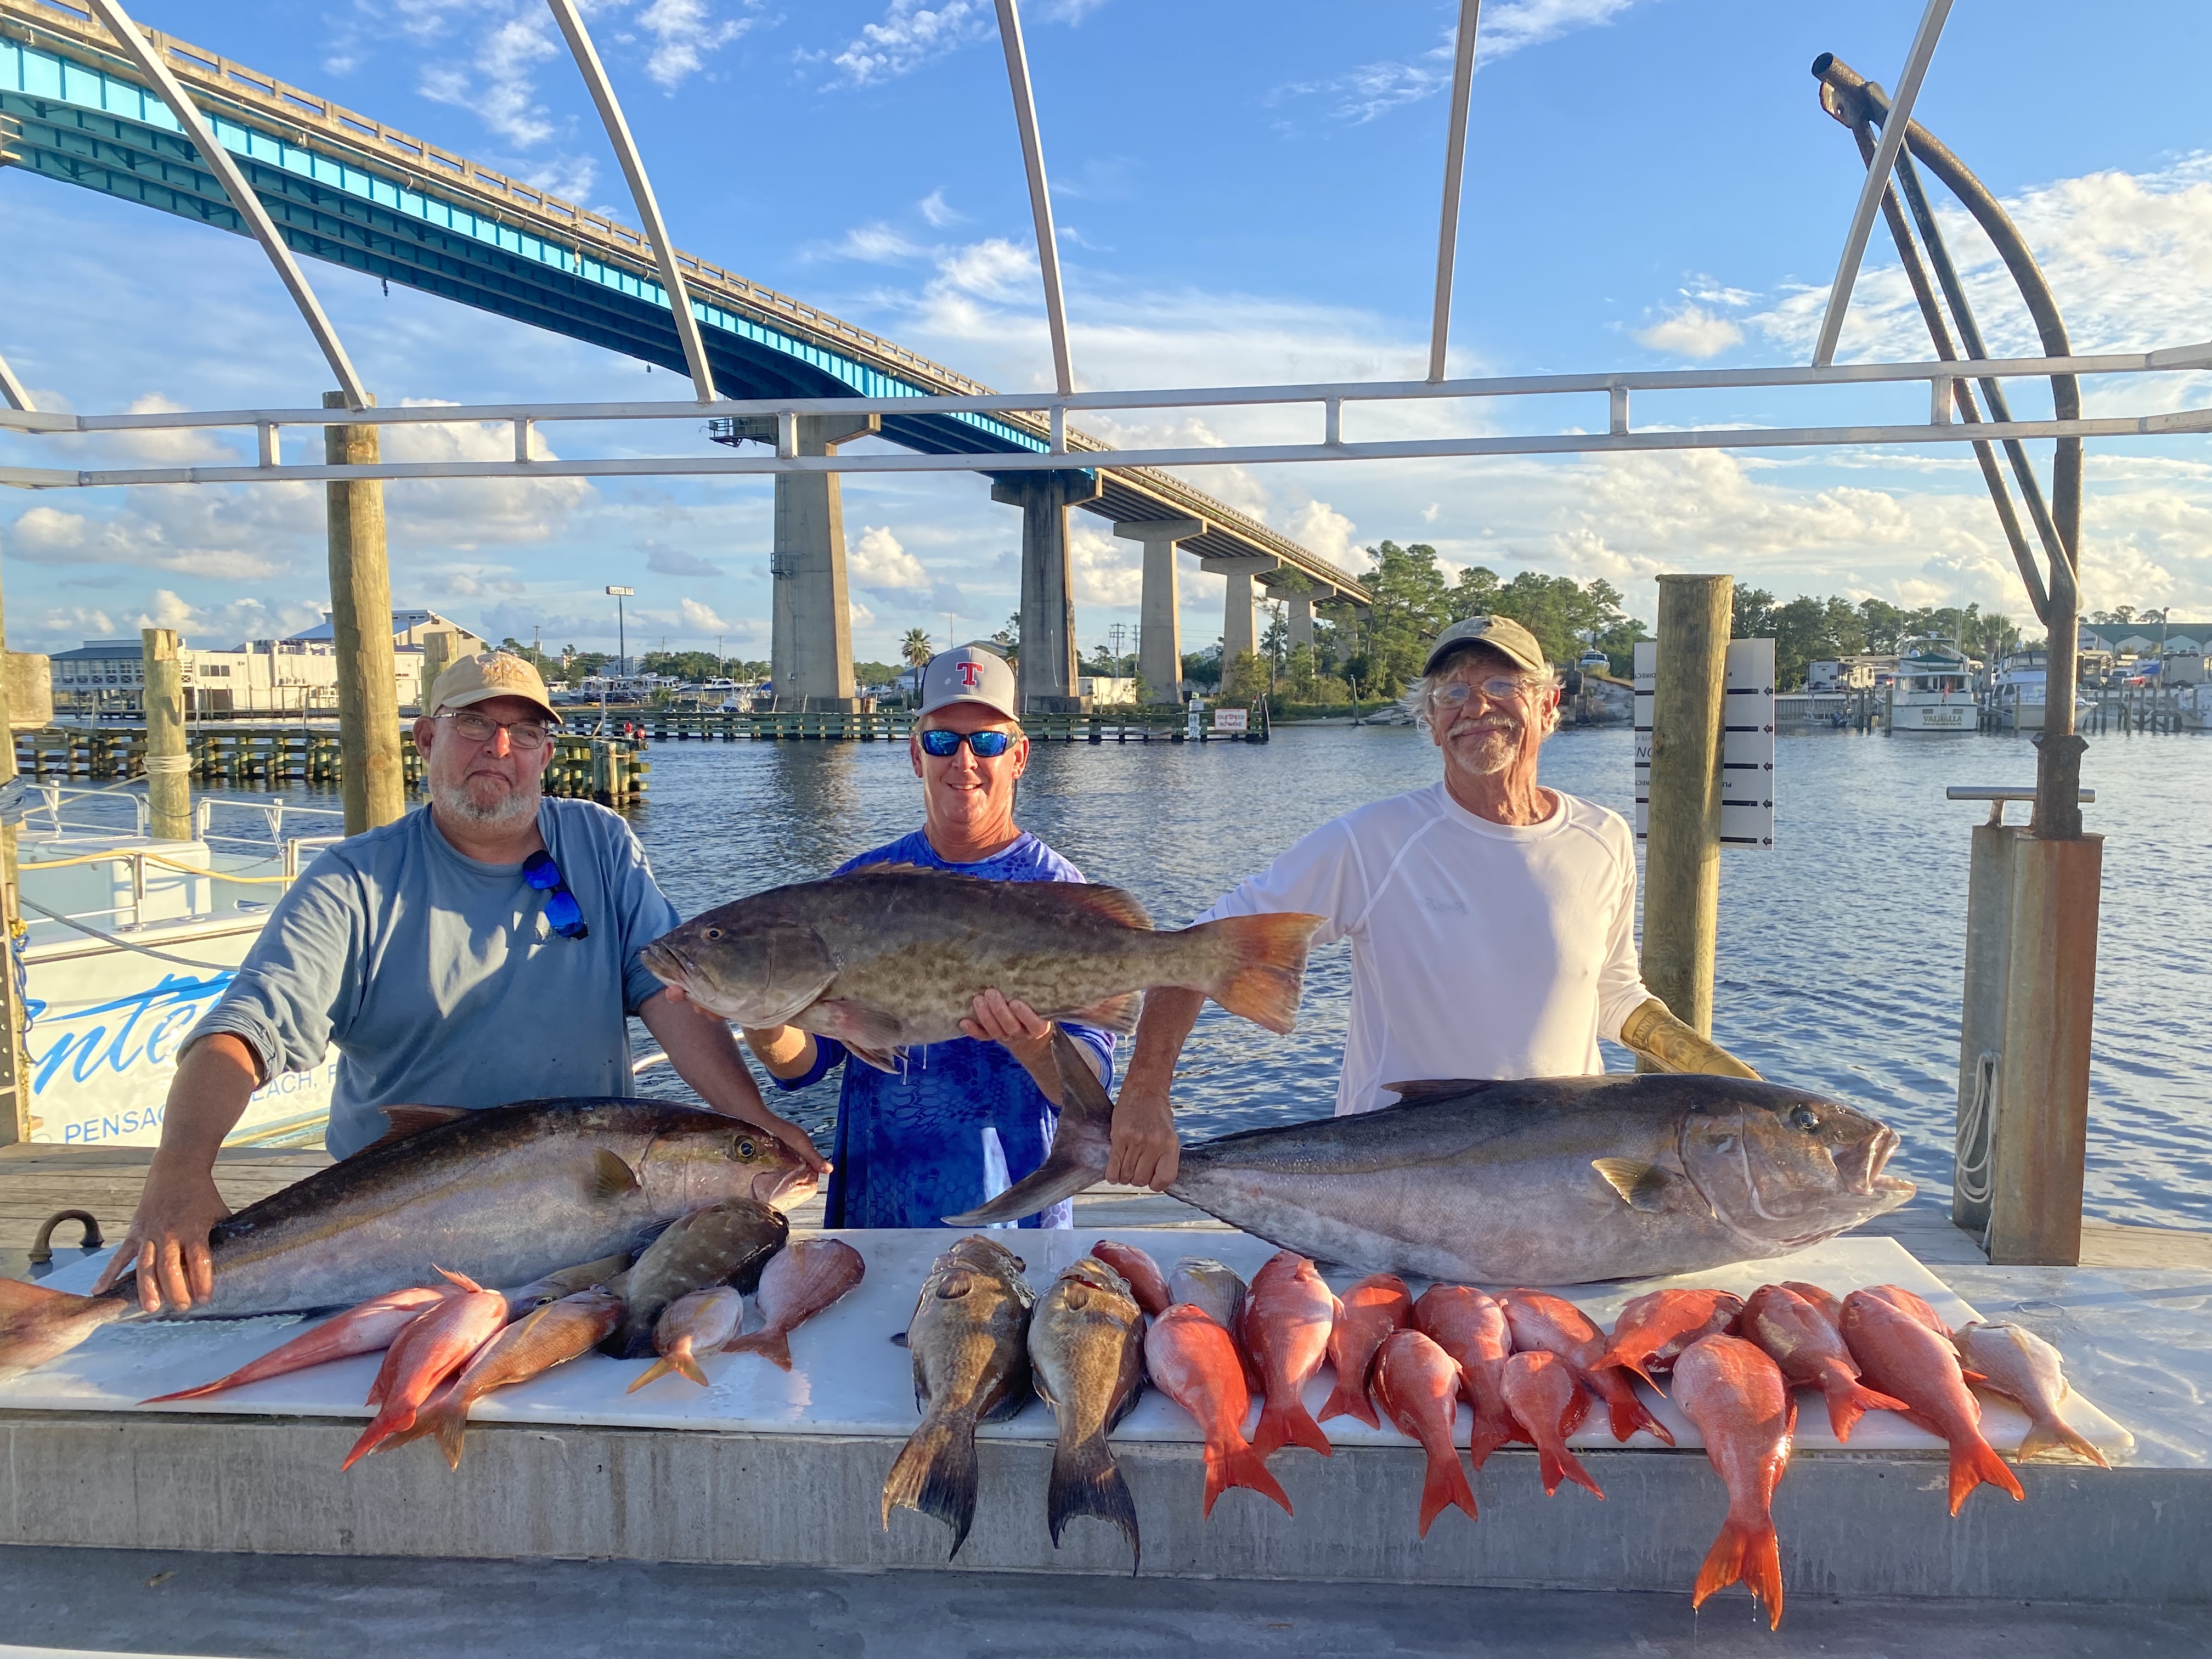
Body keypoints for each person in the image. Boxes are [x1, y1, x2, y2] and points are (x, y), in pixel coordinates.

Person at [96, 651, 825, 1314]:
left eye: (524, 732)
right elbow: (241, 1034)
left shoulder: (599, 846)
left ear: (546, 752)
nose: (498, 749)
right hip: (397, 1214)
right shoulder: (354, 882)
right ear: (425, 739)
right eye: (474, 723)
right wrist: (180, 1173)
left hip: (574, 1232)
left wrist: (747, 1120)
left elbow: (668, 998)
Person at [1108, 614, 1757, 1189]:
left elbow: (1613, 994)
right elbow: (1200, 946)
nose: (1476, 707)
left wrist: (1729, 1082)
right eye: (1452, 692)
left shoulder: (1602, 836)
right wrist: (1145, 1094)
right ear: (1431, 719)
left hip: (1565, 1182)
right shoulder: (1373, 841)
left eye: (1502, 686)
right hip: (1391, 1187)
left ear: (1550, 703)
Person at [731, 645, 1111, 1230]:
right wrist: (761, 1014)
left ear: (1019, 756)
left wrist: (1035, 1045)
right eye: (942, 741)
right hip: (877, 1205)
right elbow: (803, 1066)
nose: (964, 761)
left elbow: (1086, 1091)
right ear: (916, 754)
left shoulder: (1058, 889)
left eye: (986, 742)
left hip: (1012, 1214)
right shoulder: (859, 884)